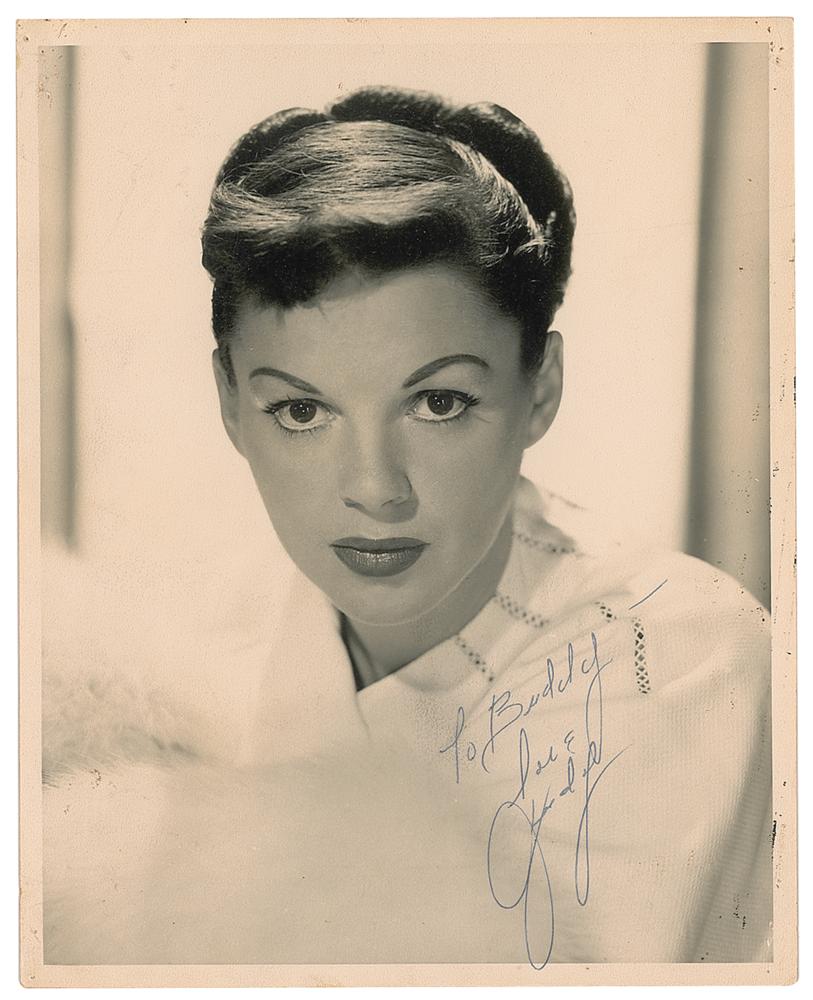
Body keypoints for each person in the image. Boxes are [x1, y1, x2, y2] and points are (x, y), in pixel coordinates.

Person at [42, 85, 772, 968]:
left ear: (539, 387)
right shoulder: (192, 643)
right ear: (230, 402)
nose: (374, 490)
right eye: (301, 412)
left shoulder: (679, 648)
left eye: (438, 402)